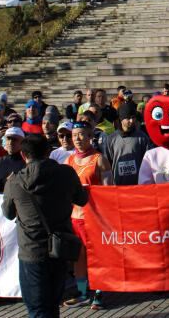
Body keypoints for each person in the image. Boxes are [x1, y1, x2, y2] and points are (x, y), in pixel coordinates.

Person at [2, 134, 88, 318]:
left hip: (31, 251)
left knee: (37, 309)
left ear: (24, 156)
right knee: (52, 306)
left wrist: (7, 189)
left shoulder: (14, 182)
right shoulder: (66, 173)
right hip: (59, 248)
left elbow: (8, 213)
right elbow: (82, 199)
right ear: (49, 152)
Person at [64, 122, 112, 309]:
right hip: (75, 217)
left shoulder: (100, 159)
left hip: (95, 217)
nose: (77, 139)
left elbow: (109, 190)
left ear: (90, 136)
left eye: (82, 134)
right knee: (79, 257)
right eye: (75, 135)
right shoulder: (68, 161)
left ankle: (99, 291)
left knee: (97, 256)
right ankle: (83, 292)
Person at [105, 102, 150, 185]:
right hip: (118, 187)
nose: (132, 121)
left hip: (138, 186)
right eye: (128, 118)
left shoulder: (142, 138)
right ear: (121, 119)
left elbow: (148, 164)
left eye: (133, 117)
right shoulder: (111, 139)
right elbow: (108, 163)